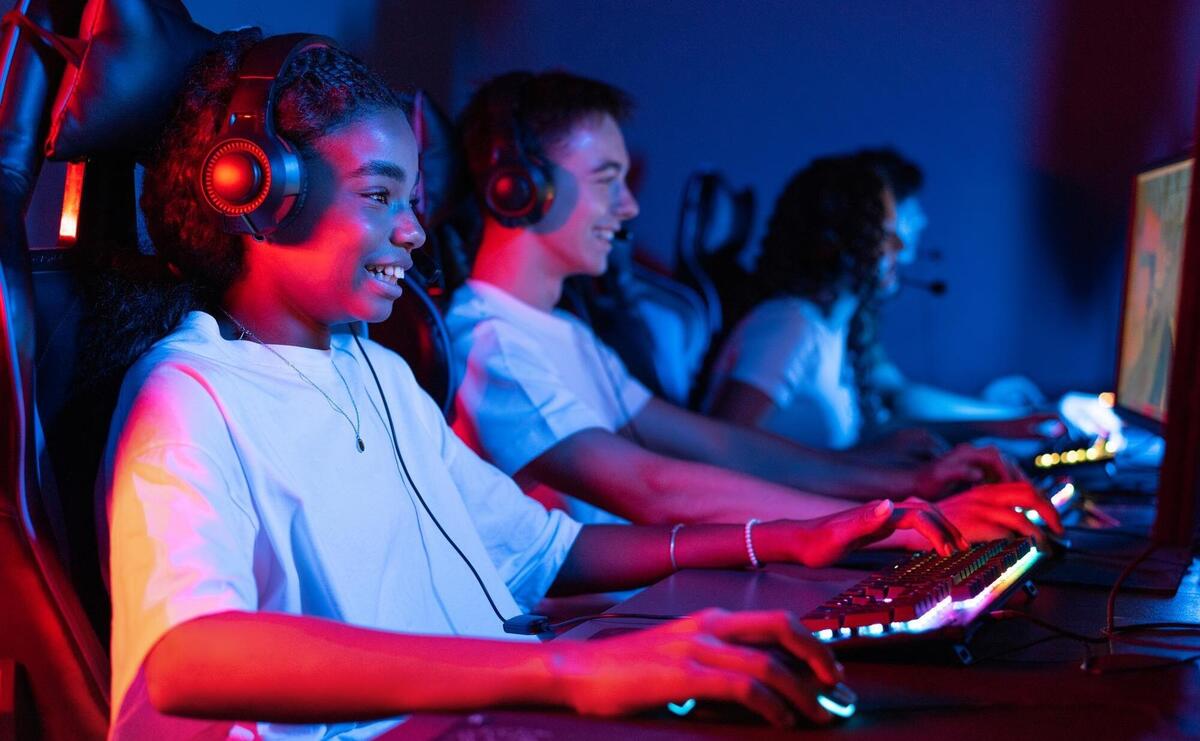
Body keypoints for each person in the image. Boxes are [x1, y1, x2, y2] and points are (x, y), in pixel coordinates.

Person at [99, 30, 976, 739]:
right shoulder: (188, 393)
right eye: (380, 195)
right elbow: (186, 654)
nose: (414, 230)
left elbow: (552, 551)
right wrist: (564, 668)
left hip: (487, 711)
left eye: (414, 199)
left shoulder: (375, 372)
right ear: (257, 195)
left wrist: (780, 541)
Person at [447, 71, 1061, 546]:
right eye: (609, 179)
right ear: (519, 188)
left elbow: (723, 445)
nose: (631, 207)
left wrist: (905, 486)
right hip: (599, 635)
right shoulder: (494, 346)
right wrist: (899, 521)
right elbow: (653, 486)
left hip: (653, 609)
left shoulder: (565, 334)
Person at [707, 153, 1060, 463]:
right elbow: (720, 451)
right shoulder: (788, 325)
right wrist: (863, 462)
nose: (902, 245)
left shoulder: (830, 331)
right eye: (884, 233)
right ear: (833, 243)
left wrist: (997, 427)